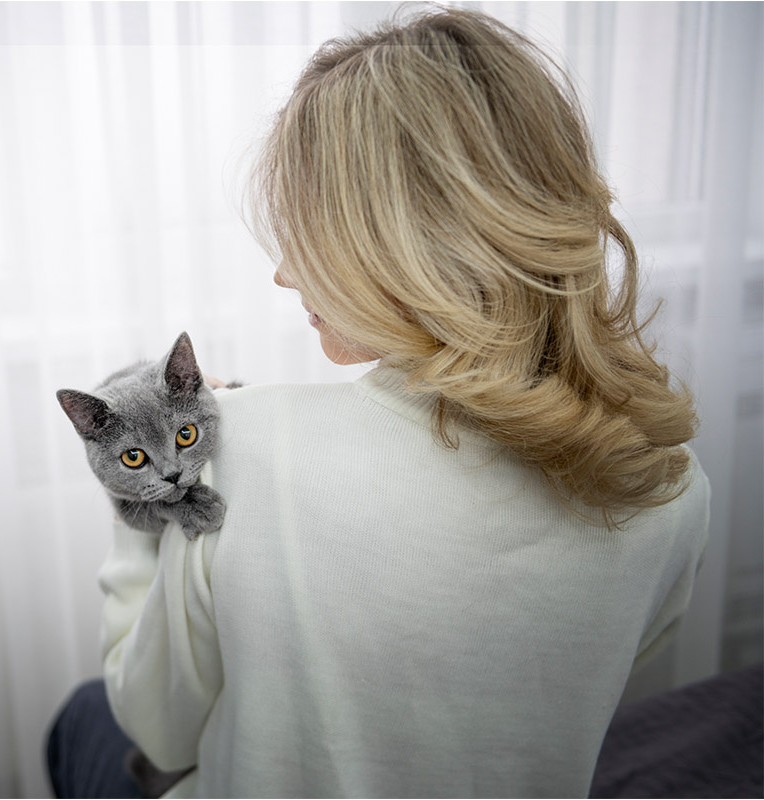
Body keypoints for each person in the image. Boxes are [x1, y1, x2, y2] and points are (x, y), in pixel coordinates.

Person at [47, 6, 709, 798]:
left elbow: (154, 726)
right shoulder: (671, 485)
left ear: (396, 237)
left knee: (82, 718)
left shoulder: (246, 453)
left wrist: (136, 523)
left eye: (309, 233)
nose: (285, 276)